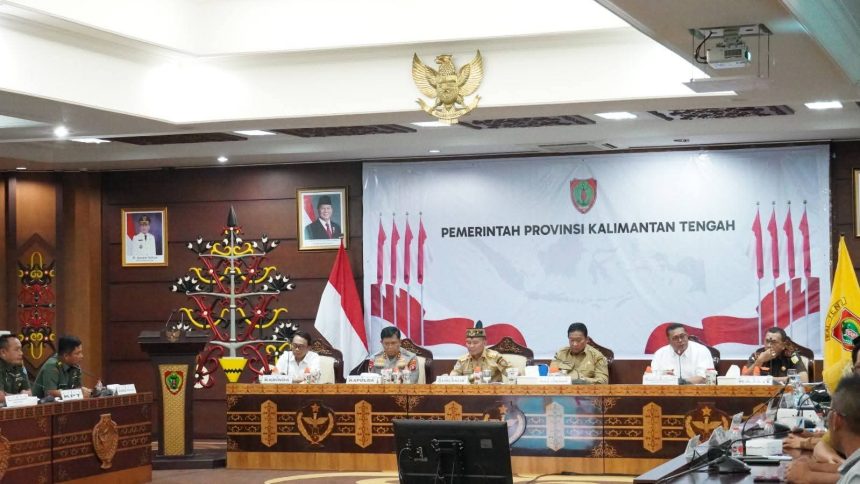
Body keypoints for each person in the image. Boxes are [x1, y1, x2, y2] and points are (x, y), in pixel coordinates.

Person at [33, 335, 92, 399]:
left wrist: (85, 391)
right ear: (66, 356)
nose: (81, 356)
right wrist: (78, 392)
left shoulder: (75, 366)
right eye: (77, 353)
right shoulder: (52, 366)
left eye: (81, 352)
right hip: (43, 407)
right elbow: (50, 393)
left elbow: (77, 388)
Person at [743, 327, 809, 383]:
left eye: (774, 342)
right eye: (767, 341)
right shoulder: (757, 355)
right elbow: (744, 379)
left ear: (783, 345)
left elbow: (804, 379)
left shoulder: (791, 356)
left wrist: (771, 380)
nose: (769, 345)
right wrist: (760, 361)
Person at [0, 334, 31, 403]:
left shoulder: (19, 365)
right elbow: (0, 397)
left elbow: (29, 393)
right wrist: (21, 396)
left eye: (21, 349)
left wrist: (9, 396)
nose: (21, 353)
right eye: (17, 349)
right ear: (3, 352)